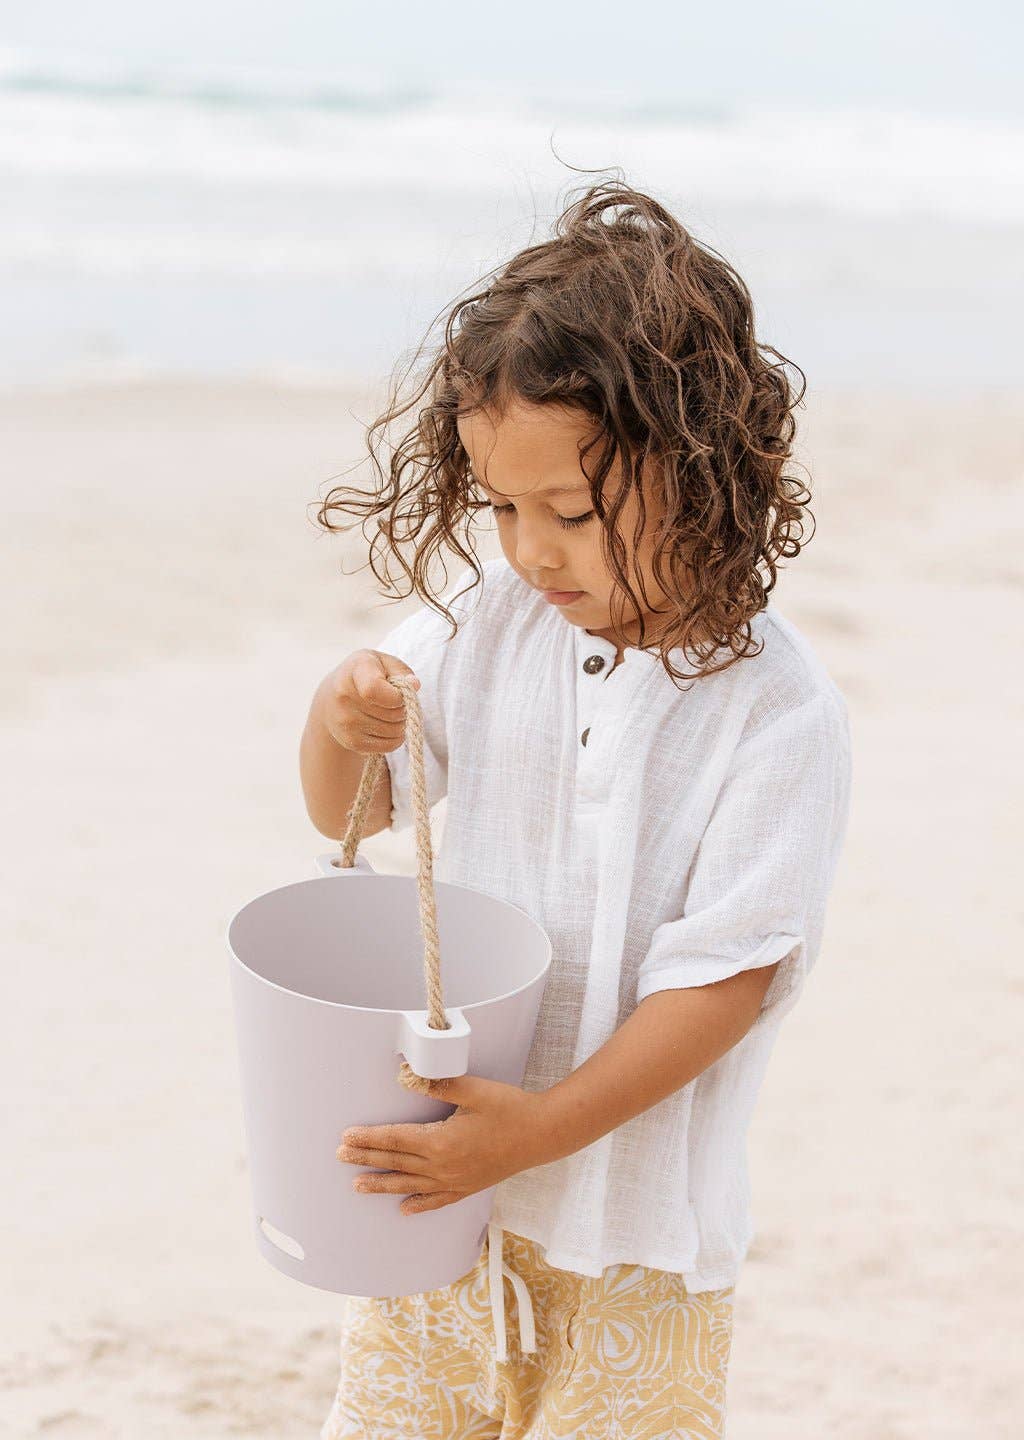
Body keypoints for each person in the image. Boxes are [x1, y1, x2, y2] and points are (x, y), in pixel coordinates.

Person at [300, 178, 852, 1439]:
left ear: (705, 473)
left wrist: (539, 1131)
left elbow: (729, 977)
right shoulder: (487, 625)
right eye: (500, 508)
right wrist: (338, 728)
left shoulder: (776, 715)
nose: (531, 551)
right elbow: (359, 814)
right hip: (445, 1177)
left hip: (632, 1230)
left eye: (572, 512)